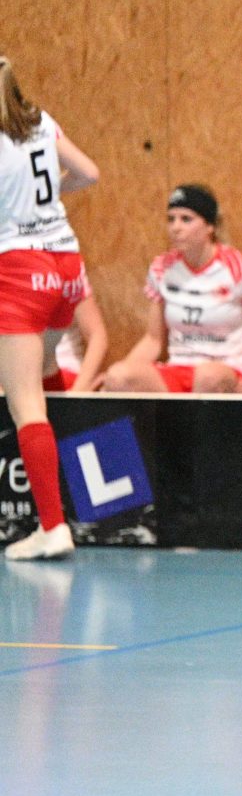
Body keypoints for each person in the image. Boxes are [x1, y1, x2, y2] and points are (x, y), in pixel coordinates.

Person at [0, 53, 99, 560]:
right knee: (44, 369)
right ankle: (75, 502)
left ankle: (53, 526)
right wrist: (44, 202)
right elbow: (88, 173)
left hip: (18, 270)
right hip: (64, 267)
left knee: (23, 404)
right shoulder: (39, 122)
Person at [100, 184, 242, 394]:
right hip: (178, 369)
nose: (176, 227)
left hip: (227, 370)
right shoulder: (162, 268)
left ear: (209, 226)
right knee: (118, 376)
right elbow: (153, 340)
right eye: (171, 219)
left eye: (186, 219)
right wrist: (115, 380)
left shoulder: (239, 268)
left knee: (208, 377)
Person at [48, 282, 107, 392]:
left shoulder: (70, 270)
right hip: (22, 376)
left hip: (65, 373)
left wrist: (78, 391)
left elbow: (97, 336)